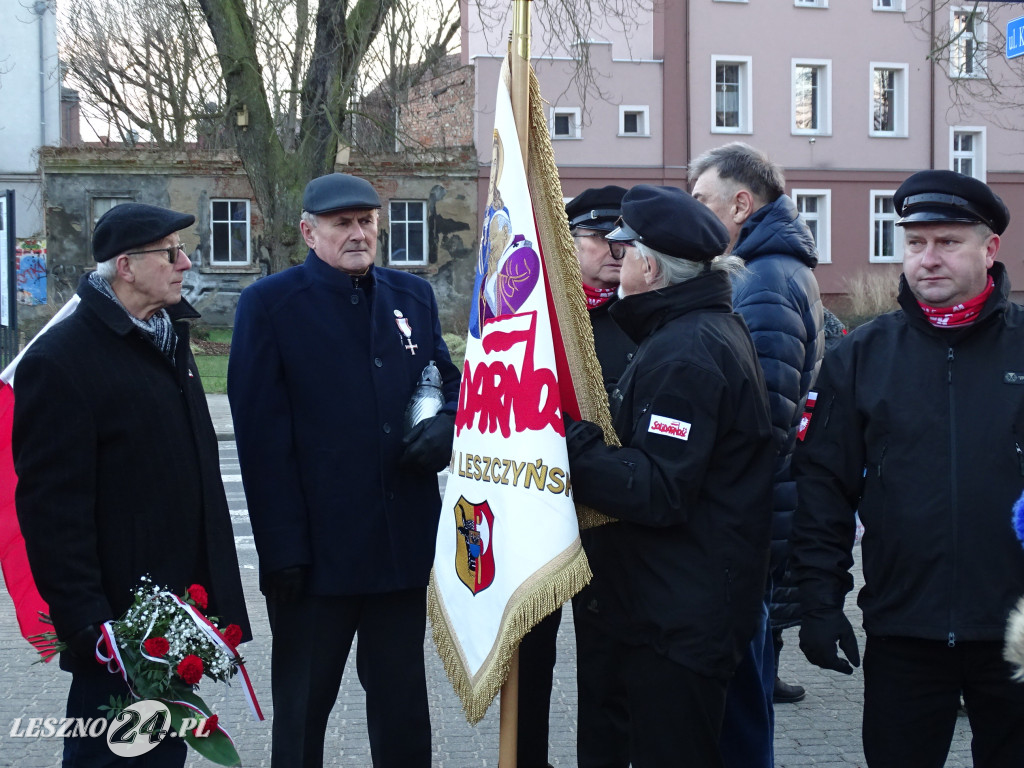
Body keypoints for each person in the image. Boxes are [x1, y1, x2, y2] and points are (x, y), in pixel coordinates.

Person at [790, 169, 1024, 768]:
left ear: (989, 248)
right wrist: (820, 600)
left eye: (948, 242)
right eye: (916, 242)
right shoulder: (862, 356)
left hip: (1016, 633)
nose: (928, 258)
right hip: (904, 630)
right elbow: (824, 487)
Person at [228, 172, 460, 768]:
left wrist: (447, 425)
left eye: (366, 222)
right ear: (309, 231)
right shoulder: (270, 305)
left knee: (404, 706)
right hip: (316, 559)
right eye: (342, 224)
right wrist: (281, 550)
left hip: (399, 546)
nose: (358, 234)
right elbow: (260, 439)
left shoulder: (414, 297)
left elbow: (443, 379)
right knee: (305, 712)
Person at [13, 202, 251, 767]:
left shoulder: (167, 337)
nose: (185, 262)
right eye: (170, 253)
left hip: (173, 613)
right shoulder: (62, 359)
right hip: (118, 627)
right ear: (125, 265)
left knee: (162, 757)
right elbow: (52, 512)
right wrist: (91, 626)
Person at [564, 184, 775, 768]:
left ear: (649, 266)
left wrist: (570, 443)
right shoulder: (696, 328)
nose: (618, 260)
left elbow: (655, 488)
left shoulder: (686, 350)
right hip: (680, 606)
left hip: (680, 618)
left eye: (625, 251)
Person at [689, 141, 824, 765]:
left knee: (740, 702)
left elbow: (762, 422)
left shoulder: (763, 279)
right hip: (760, 515)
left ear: (741, 204)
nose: (694, 215)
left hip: (748, 521)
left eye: (702, 202)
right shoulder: (765, 265)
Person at [516, 185, 634, 768]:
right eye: (598, 237)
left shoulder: (645, 315)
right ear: (567, 243)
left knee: (610, 668)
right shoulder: (538, 318)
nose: (613, 249)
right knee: (529, 666)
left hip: (615, 517)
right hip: (541, 512)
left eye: (623, 239)